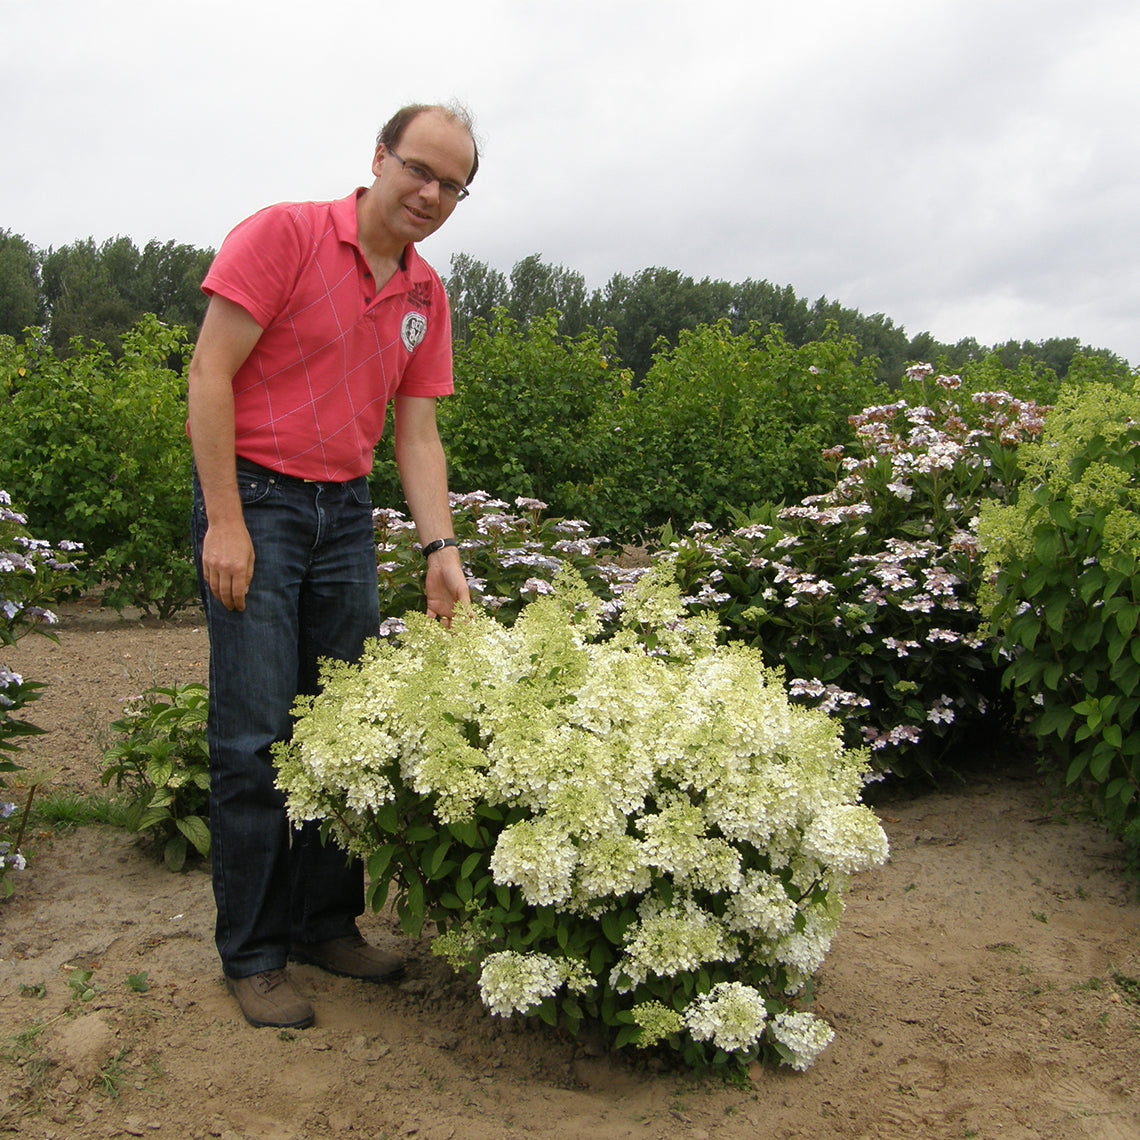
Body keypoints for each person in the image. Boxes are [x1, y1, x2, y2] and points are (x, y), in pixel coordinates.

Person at [187, 103, 477, 1030]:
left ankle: (324, 923)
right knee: (254, 735)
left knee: (337, 728)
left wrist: (441, 550)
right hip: (259, 502)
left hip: (346, 515)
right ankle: (256, 952)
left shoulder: (426, 295)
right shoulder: (285, 235)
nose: (430, 193)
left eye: (453, 185)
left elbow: (418, 433)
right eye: (420, 169)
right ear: (381, 157)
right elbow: (208, 374)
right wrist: (226, 522)